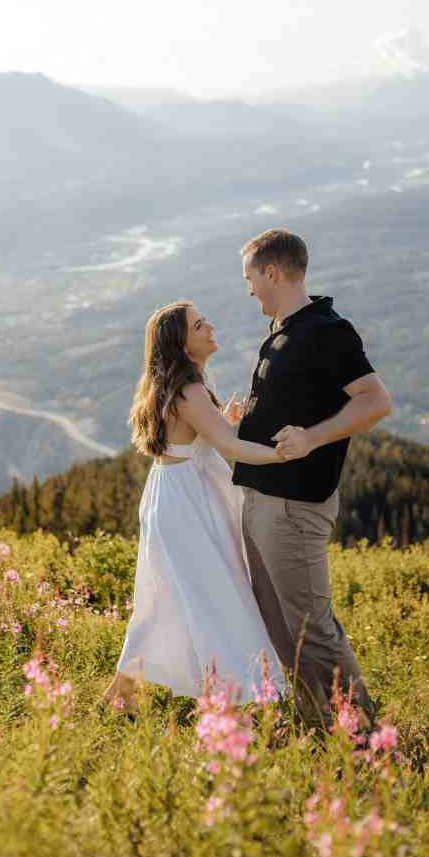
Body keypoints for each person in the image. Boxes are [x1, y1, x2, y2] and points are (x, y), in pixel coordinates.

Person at [232, 229, 394, 730]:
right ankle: (319, 724)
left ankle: (365, 738)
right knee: (280, 625)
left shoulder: (326, 330)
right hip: (262, 498)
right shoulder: (283, 331)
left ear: (273, 272)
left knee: (311, 628)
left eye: (251, 279)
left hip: (295, 505)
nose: (250, 290)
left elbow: (375, 400)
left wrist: (312, 438)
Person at [102, 300, 286, 713]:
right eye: (199, 325)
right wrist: (283, 455)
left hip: (175, 493)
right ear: (183, 344)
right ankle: (235, 695)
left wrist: (222, 419)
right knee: (214, 593)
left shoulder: (175, 385)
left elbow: (198, 434)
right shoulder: (190, 389)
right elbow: (230, 446)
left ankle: (123, 692)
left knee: (166, 595)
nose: (210, 327)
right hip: (188, 501)